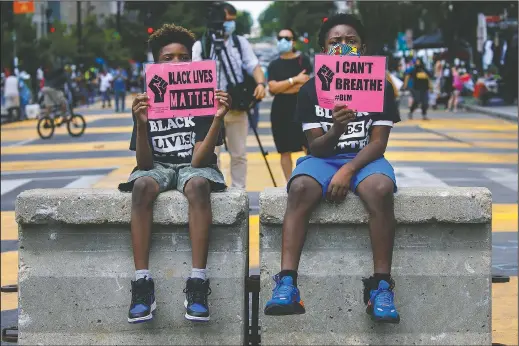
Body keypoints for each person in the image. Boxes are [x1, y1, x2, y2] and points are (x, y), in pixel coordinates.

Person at [264, 13, 402, 324]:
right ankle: (287, 283)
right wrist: (337, 129)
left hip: (365, 158)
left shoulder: (379, 86)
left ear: (362, 48)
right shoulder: (312, 89)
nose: (343, 46)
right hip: (324, 158)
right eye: (335, 42)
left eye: (350, 41)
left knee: (380, 190)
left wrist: (349, 170)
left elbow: (379, 143)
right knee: (299, 188)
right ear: (324, 51)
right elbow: (315, 148)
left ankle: (381, 286)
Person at [118, 23, 231, 324]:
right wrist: (141, 122)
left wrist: (218, 118)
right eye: (168, 58)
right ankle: (142, 283)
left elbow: (198, 160)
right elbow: (144, 163)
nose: (176, 63)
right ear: (155, 64)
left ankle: (197, 282)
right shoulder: (147, 97)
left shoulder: (203, 96)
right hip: (158, 164)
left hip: (193, 163)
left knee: (197, 185)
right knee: (141, 186)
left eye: (184, 57)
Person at [192, 2, 266, 189]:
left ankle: (239, 191)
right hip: (210, 109)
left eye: (232, 21)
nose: (229, 25)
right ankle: (215, 189)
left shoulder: (240, 43)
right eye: (226, 20)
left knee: (239, 154)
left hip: (237, 107)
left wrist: (260, 83)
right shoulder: (202, 45)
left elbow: (253, 65)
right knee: (211, 154)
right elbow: (195, 76)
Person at [267, 28, 312, 181]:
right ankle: (290, 184)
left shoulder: (303, 60)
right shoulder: (274, 64)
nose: (283, 41)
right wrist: (294, 80)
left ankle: (311, 179)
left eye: (287, 38)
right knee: (284, 150)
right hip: (280, 110)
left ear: (294, 41)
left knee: (308, 146)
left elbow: (306, 84)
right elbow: (272, 88)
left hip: (302, 107)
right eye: (280, 38)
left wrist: (283, 86)